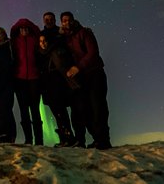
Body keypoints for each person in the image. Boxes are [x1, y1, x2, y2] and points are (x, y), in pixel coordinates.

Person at [60, 11, 112, 150]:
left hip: (94, 73)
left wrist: (78, 67)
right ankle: (97, 139)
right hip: (82, 78)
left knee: (98, 107)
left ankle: (103, 140)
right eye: (63, 20)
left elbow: (93, 52)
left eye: (68, 20)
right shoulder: (64, 38)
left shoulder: (84, 33)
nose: (66, 22)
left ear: (73, 20)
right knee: (86, 109)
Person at [40, 11, 74, 146]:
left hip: (58, 78)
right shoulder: (42, 36)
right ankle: (64, 137)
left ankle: (68, 137)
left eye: (50, 19)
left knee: (61, 109)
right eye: (46, 19)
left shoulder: (60, 34)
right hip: (47, 79)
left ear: (54, 20)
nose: (48, 21)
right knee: (56, 110)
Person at [10, 18, 43, 145]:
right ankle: (28, 139)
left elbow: (36, 30)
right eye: (22, 28)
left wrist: (26, 22)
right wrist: (21, 22)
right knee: (24, 110)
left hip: (34, 79)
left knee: (35, 109)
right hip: (20, 79)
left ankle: (39, 140)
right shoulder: (14, 41)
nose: (24, 30)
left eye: (26, 28)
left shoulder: (35, 40)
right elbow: (13, 29)